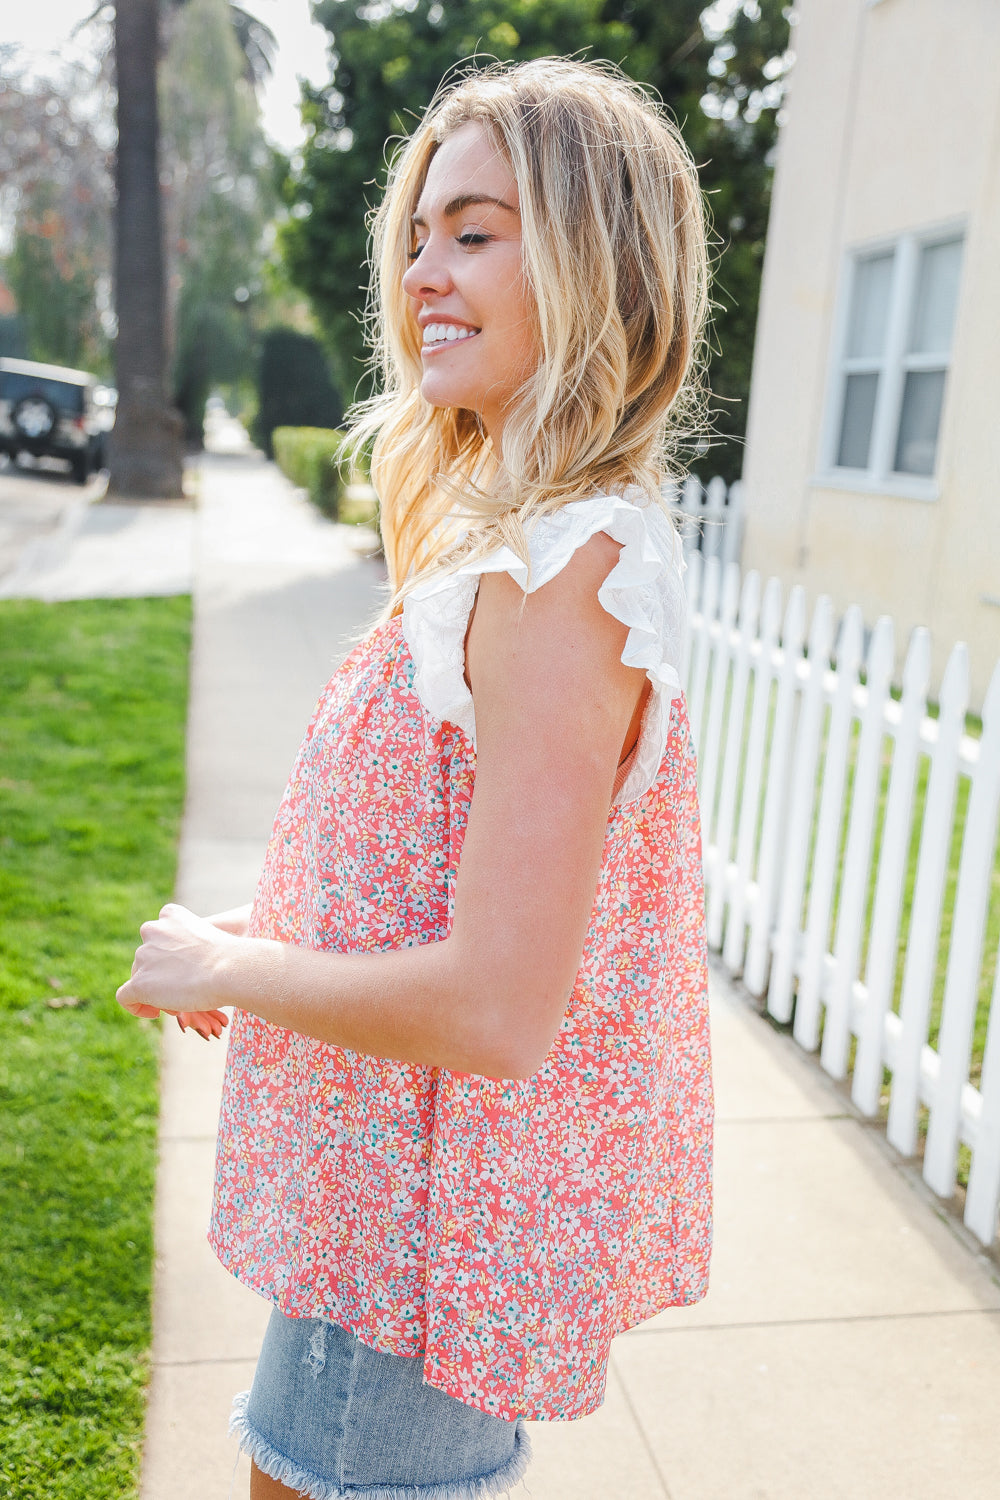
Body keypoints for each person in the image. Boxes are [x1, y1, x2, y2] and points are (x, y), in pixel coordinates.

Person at [118, 56, 713, 1500]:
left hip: (408, 1252)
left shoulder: (567, 576)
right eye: (419, 233)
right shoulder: (520, 540)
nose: (420, 273)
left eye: (476, 231)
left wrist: (228, 967)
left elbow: (503, 1011)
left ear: (593, 254)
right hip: (383, 1211)